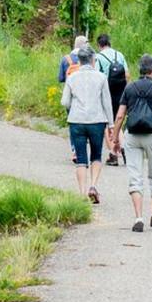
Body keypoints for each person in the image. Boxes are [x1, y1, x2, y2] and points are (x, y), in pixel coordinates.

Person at [111, 54, 152, 232]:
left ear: (139, 69)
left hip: (131, 135)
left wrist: (115, 138)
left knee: (135, 175)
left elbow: (119, 115)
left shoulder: (130, 87)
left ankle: (138, 218)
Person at [61, 47, 114, 204]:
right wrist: (111, 124)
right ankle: (93, 186)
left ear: (80, 60)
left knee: (81, 159)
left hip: (76, 120)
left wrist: (74, 106)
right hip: (97, 120)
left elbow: (64, 101)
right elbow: (107, 102)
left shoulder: (72, 78)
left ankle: (82, 193)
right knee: (96, 156)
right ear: (93, 60)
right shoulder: (101, 77)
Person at [95, 33, 129, 166]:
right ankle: (122, 148)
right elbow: (127, 74)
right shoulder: (119, 55)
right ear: (109, 43)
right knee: (117, 121)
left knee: (107, 123)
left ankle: (113, 153)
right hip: (120, 92)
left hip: (106, 93)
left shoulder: (98, 57)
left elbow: (97, 76)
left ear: (99, 45)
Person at [59, 35, 89, 161]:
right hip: (86, 97)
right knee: (86, 123)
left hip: (70, 98)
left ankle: (75, 150)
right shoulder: (90, 58)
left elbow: (61, 78)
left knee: (73, 124)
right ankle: (84, 148)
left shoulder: (66, 59)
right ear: (84, 45)